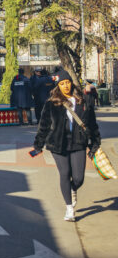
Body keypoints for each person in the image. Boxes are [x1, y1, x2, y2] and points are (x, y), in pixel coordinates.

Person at [32, 68, 101, 222]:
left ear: (71, 83)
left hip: (78, 142)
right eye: (62, 83)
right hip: (58, 144)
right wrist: (38, 145)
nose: (65, 86)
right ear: (58, 85)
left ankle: (73, 188)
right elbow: (44, 125)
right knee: (64, 173)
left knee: (78, 178)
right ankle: (69, 209)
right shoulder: (52, 103)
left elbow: (92, 124)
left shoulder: (83, 101)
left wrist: (95, 143)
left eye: (67, 82)